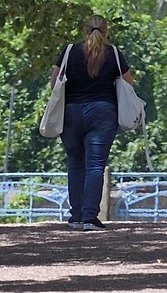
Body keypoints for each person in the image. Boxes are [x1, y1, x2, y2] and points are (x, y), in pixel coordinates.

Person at [55, 13, 135, 228]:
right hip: (103, 113)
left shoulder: (69, 51)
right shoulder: (115, 54)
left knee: (75, 164)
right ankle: (90, 216)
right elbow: (128, 84)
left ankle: (76, 216)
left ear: (84, 30)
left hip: (70, 113)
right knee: (95, 166)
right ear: (106, 31)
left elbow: (54, 81)